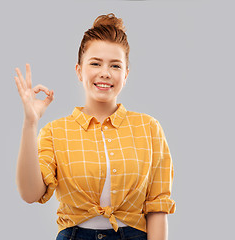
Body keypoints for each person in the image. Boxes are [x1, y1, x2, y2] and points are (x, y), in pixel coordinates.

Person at [14, 13, 176, 240]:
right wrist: (30, 123)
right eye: (95, 63)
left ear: (126, 74)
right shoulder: (54, 132)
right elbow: (31, 193)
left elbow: (157, 206)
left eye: (115, 65)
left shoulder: (149, 128)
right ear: (79, 70)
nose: (105, 73)